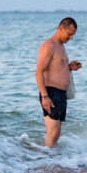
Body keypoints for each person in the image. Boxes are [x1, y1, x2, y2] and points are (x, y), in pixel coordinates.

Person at [36, 18, 82, 147]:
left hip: (61, 94)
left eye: (73, 35)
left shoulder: (60, 46)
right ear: (61, 28)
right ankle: (44, 161)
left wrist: (69, 67)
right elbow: (39, 72)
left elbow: (55, 67)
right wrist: (45, 96)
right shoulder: (49, 46)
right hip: (51, 92)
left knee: (57, 133)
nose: (71, 38)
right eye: (69, 34)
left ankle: (52, 161)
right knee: (53, 132)